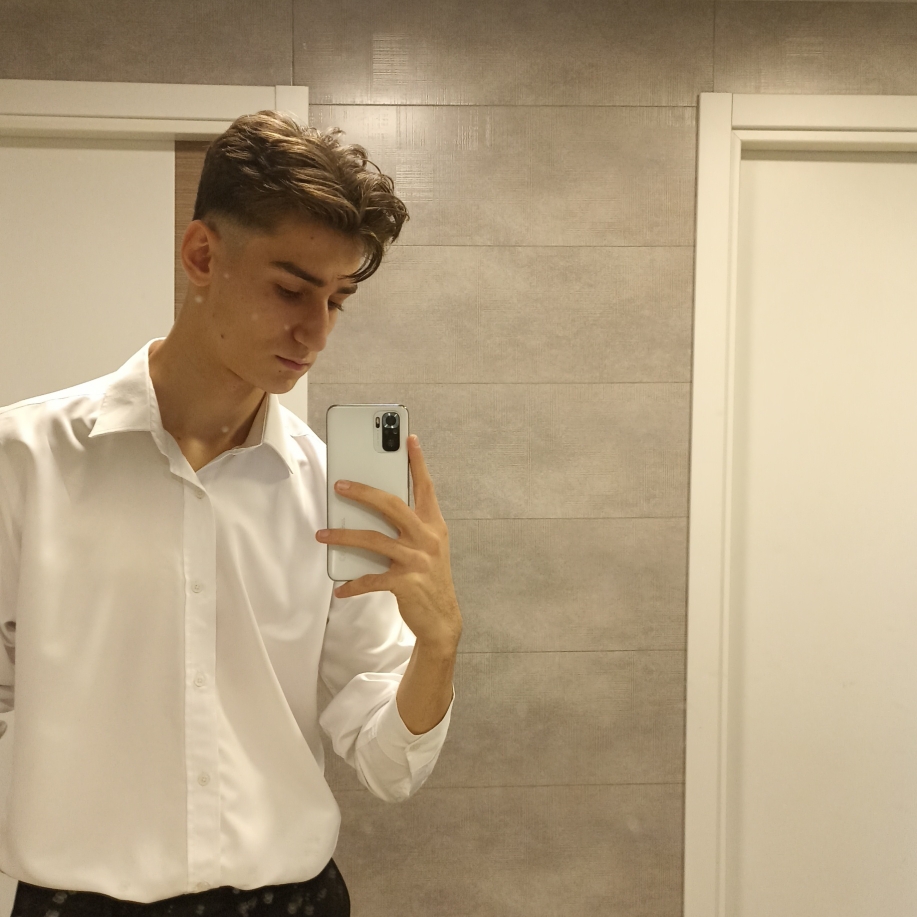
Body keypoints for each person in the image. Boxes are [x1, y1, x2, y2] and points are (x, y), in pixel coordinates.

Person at [0, 110, 463, 917]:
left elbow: (388, 763)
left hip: (291, 900)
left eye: (337, 300)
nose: (315, 331)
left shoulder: (336, 492)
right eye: (291, 289)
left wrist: (439, 643)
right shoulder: (23, 459)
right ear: (202, 255)